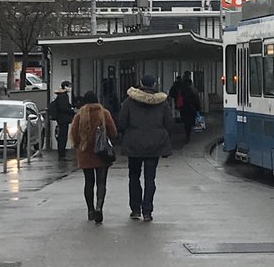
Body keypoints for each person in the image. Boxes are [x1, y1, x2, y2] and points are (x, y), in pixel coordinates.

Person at [117, 74, 172, 222]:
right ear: (154, 84)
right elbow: (169, 123)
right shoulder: (162, 102)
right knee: (150, 178)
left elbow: (121, 123)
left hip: (134, 145)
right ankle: (147, 211)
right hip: (155, 145)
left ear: (140, 83)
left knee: (134, 176)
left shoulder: (129, 101)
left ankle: (135, 209)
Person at [69, 91, 118, 224]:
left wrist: (79, 145)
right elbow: (113, 132)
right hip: (102, 153)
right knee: (101, 182)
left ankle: (90, 210)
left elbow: (73, 134)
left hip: (85, 153)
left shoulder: (80, 115)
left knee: (88, 182)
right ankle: (99, 207)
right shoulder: (104, 113)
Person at [168, 72, 201, 143]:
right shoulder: (192, 90)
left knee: (186, 121)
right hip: (191, 109)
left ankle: (187, 133)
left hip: (183, 108)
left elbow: (173, 94)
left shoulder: (181, 89)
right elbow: (196, 100)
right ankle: (188, 133)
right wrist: (198, 108)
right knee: (190, 121)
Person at [49, 81, 75, 160]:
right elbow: (62, 107)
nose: (70, 88)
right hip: (63, 119)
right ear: (65, 87)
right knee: (63, 136)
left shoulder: (61, 95)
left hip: (61, 119)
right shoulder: (63, 96)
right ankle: (62, 154)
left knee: (62, 136)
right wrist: (71, 110)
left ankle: (62, 153)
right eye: (69, 86)